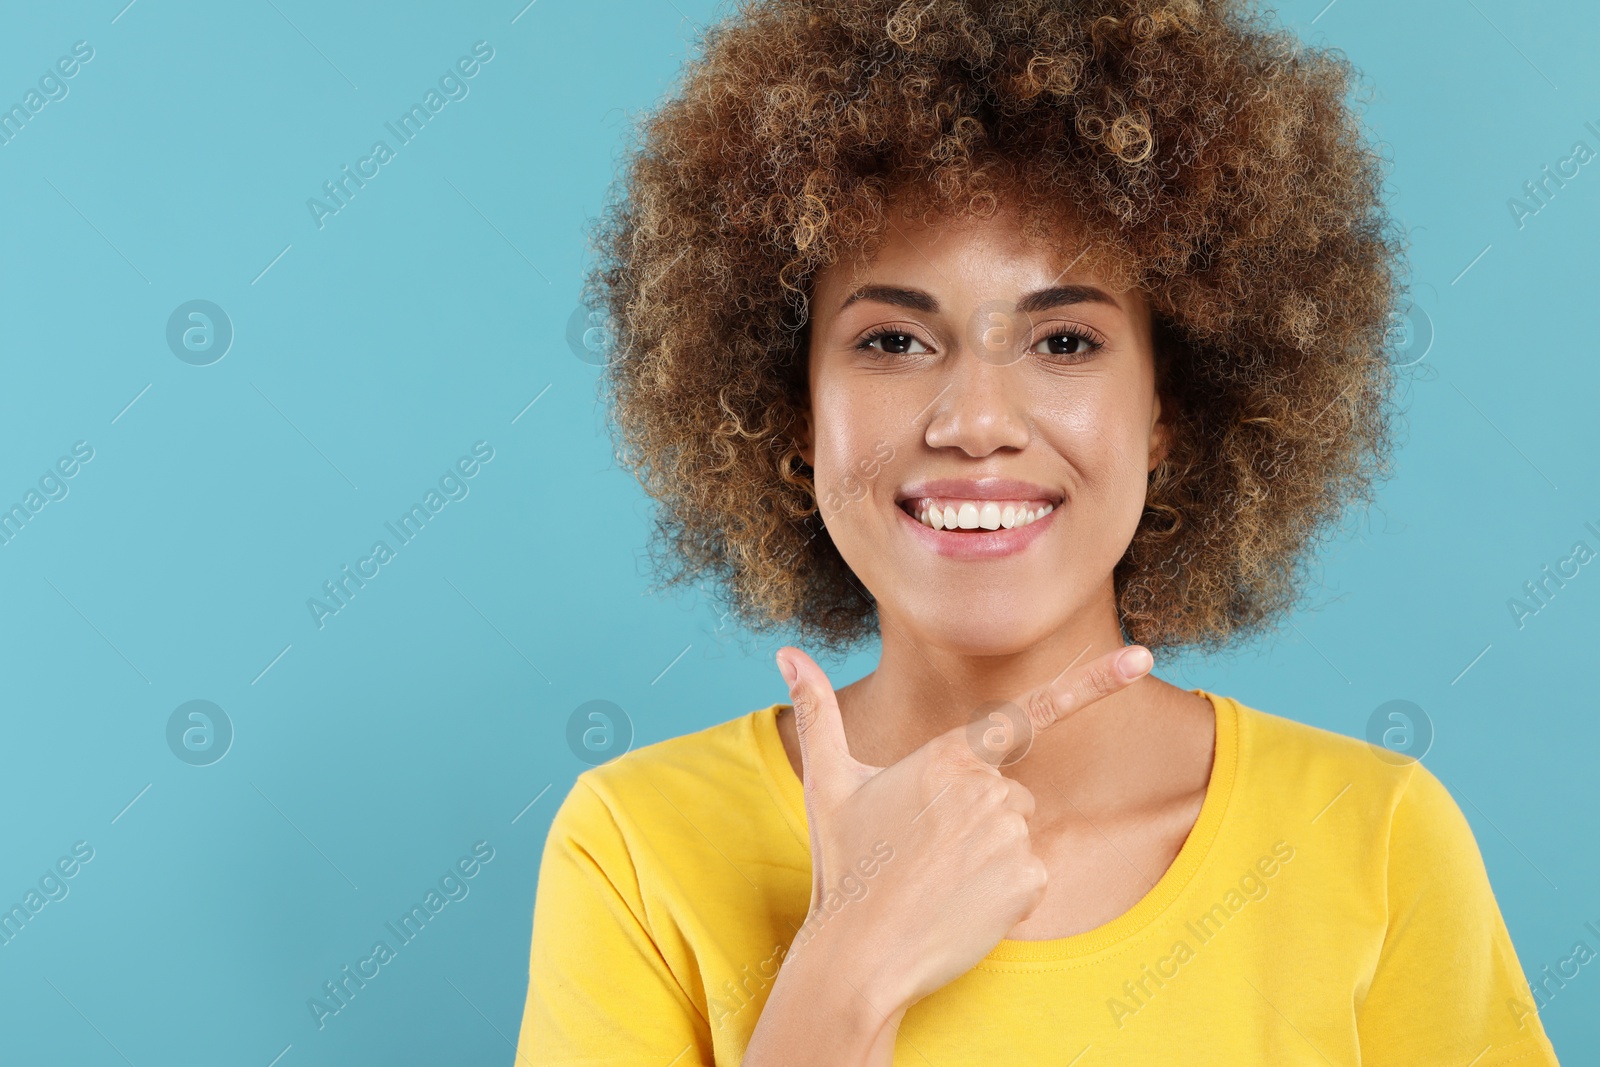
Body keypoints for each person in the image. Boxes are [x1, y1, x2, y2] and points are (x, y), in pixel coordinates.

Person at [515, 0, 1563, 1062]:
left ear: (1168, 410)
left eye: (1063, 340)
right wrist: (848, 961)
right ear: (795, 414)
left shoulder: (1372, 836)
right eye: (891, 339)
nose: (975, 421)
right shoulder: (638, 846)